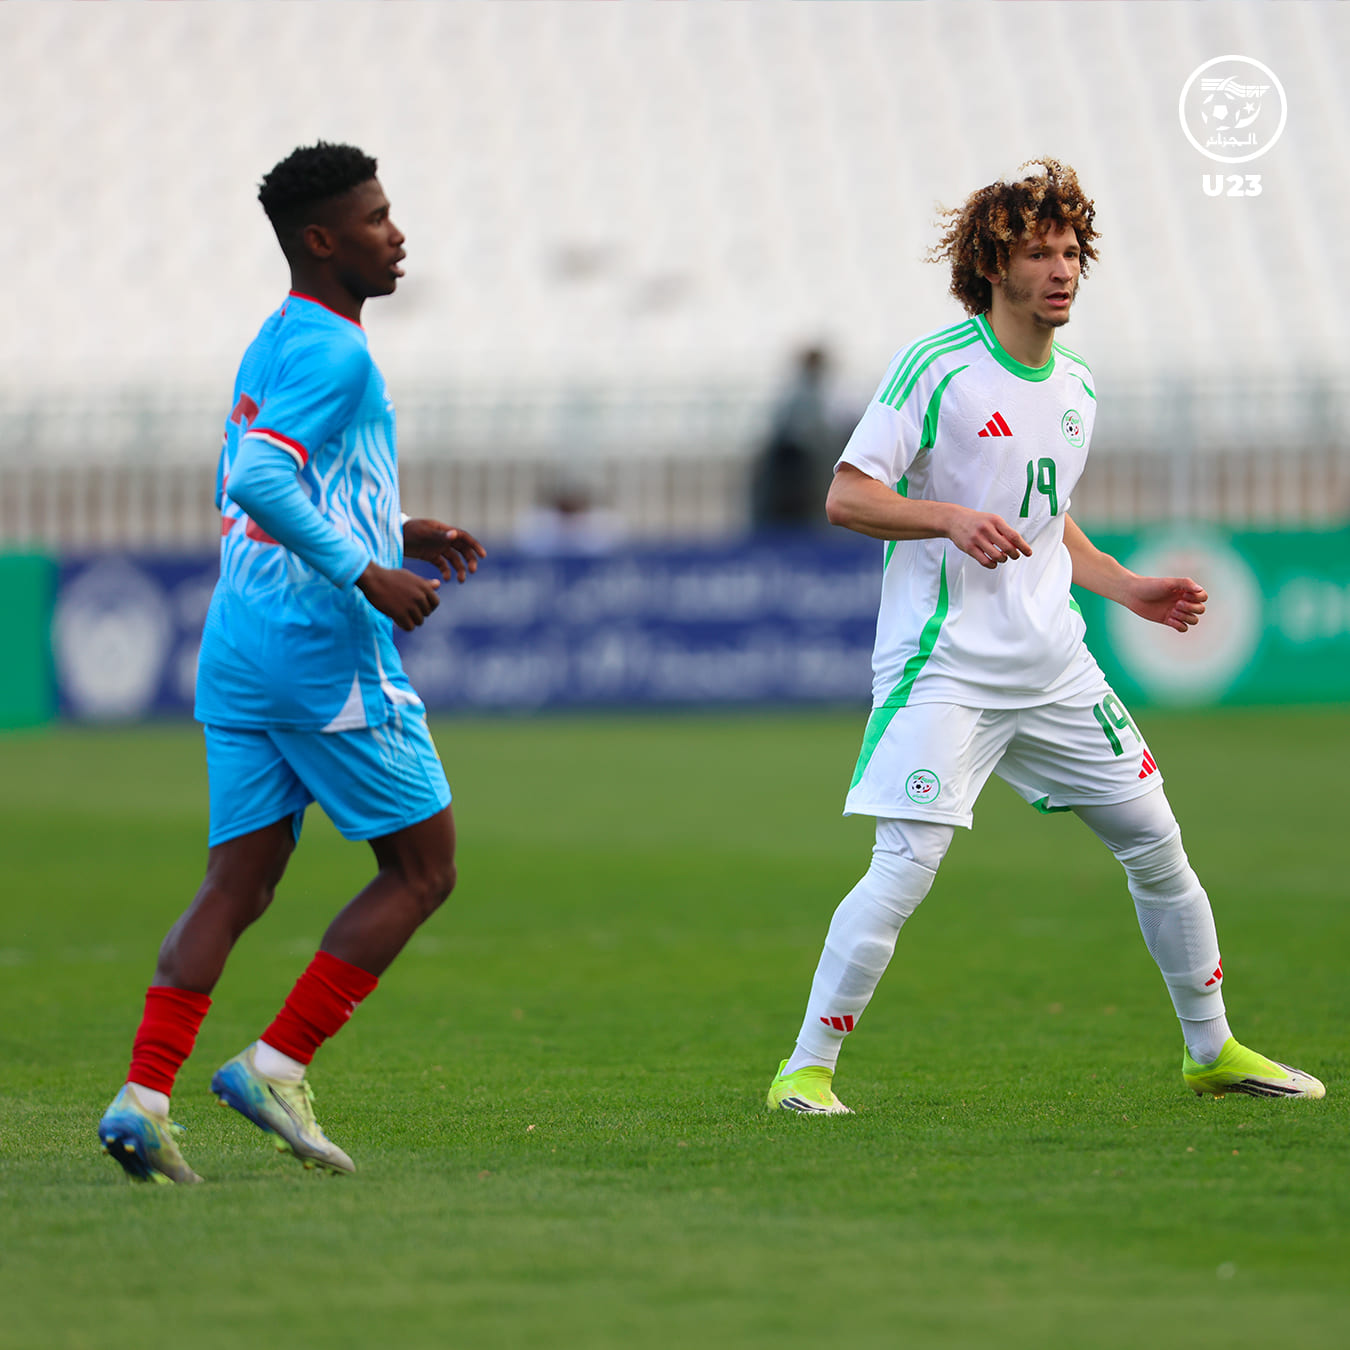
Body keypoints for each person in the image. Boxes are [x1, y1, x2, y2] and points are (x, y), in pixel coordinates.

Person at [766, 159, 1324, 1114]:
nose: (1061, 270)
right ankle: (805, 1071)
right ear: (993, 266)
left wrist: (1128, 587)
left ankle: (1212, 1049)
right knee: (906, 866)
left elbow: (1049, 519)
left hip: (1055, 664)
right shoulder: (937, 367)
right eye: (1038, 253)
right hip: (947, 667)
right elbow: (847, 496)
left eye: (1070, 252)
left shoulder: (1077, 385)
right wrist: (945, 518)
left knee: (1158, 845)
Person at [97, 142, 487, 1182]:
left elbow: (258, 481)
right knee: (424, 868)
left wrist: (393, 526)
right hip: (321, 650)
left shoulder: (278, 336)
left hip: (240, 642)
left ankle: (144, 1097)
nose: (396, 235)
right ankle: (275, 1065)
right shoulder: (338, 354)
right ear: (322, 240)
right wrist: (368, 571)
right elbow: (261, 482)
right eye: (375, 218)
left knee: (239, 880)